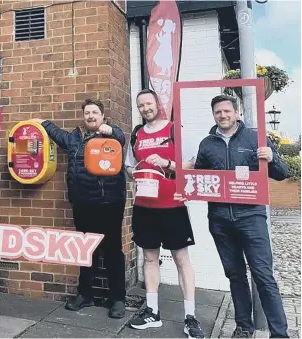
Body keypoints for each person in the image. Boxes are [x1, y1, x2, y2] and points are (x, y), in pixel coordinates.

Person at [177, 95, 289, 338]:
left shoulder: (255, 138)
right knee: (235, 275)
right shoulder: (207, 144)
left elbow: (281, 173)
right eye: (218, 112)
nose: (223, 115)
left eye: (227, 111)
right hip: (220, 220)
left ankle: (280, 333)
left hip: (251, 217)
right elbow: (199, 179)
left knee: (263, 275)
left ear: (236, 113)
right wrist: (184, 190)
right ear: (214, 115)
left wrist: (272, 158)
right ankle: (244, 327)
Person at [34, 98, 127, 319]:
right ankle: (85, 295)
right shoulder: (76, 137)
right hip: (83, 204)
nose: (91, 116)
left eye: (95, 112)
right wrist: (43, 123)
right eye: (87, 113)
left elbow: (121, 139)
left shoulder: (111, 134)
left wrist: (111, 130)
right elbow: (59, 136)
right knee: (86, 251)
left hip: (109, 203)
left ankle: (118, 298)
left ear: (103, 116)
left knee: (112, 251)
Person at [124, 89, 204, 338]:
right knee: (149, 258)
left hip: (173, 206)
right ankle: (152, 311)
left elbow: (193, 162)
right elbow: (128, 165)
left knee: (182, 260)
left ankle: (190, 317)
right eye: (141, 105)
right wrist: (133, 173)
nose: (145, 108)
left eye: (149, 103)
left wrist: (167, 164)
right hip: (144, 207)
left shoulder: (173, 129)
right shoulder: (136, 134)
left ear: (158, 104)